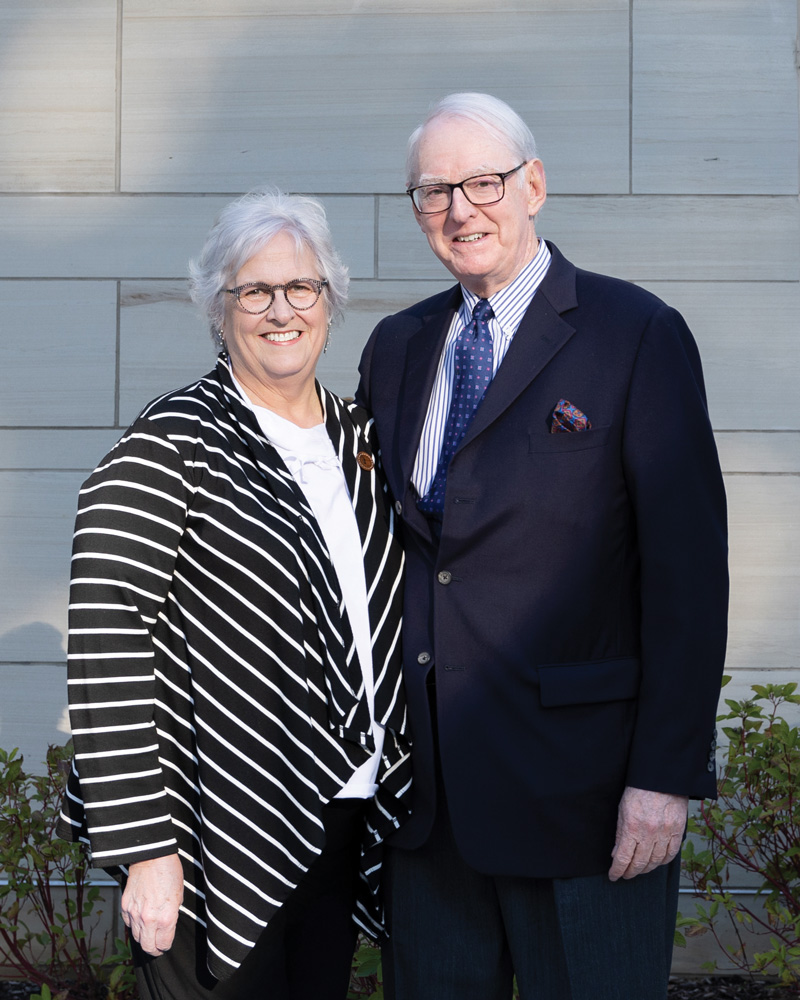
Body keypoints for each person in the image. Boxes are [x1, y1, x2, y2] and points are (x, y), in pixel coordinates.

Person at [356, 93, 728, 1000]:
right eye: (433, 191)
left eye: (482, 182)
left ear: (534, 186)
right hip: (430, 804)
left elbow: (687, 574)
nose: (459, 209)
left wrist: (662, 779)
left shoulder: (635, 334)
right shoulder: (397, 346)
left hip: (587, 800)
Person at [57, 188, 410, 1000]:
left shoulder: (361, 438)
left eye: (301, 289)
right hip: (212, 828)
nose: (280, 310)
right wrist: (146, 848)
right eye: (254, 290)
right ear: (218, 309)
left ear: (330, 302)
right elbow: (107, 638)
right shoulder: (171, 442)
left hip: (338, 809)